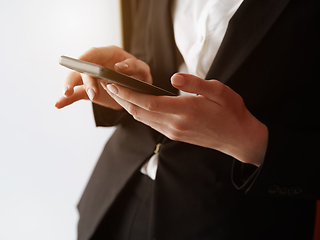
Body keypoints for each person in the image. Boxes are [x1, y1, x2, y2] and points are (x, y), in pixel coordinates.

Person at [55, 0, 320, 239]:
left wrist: (248, 139)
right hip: (113, 195)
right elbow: (155, 54)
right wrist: (130, 84)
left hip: (232, 218)